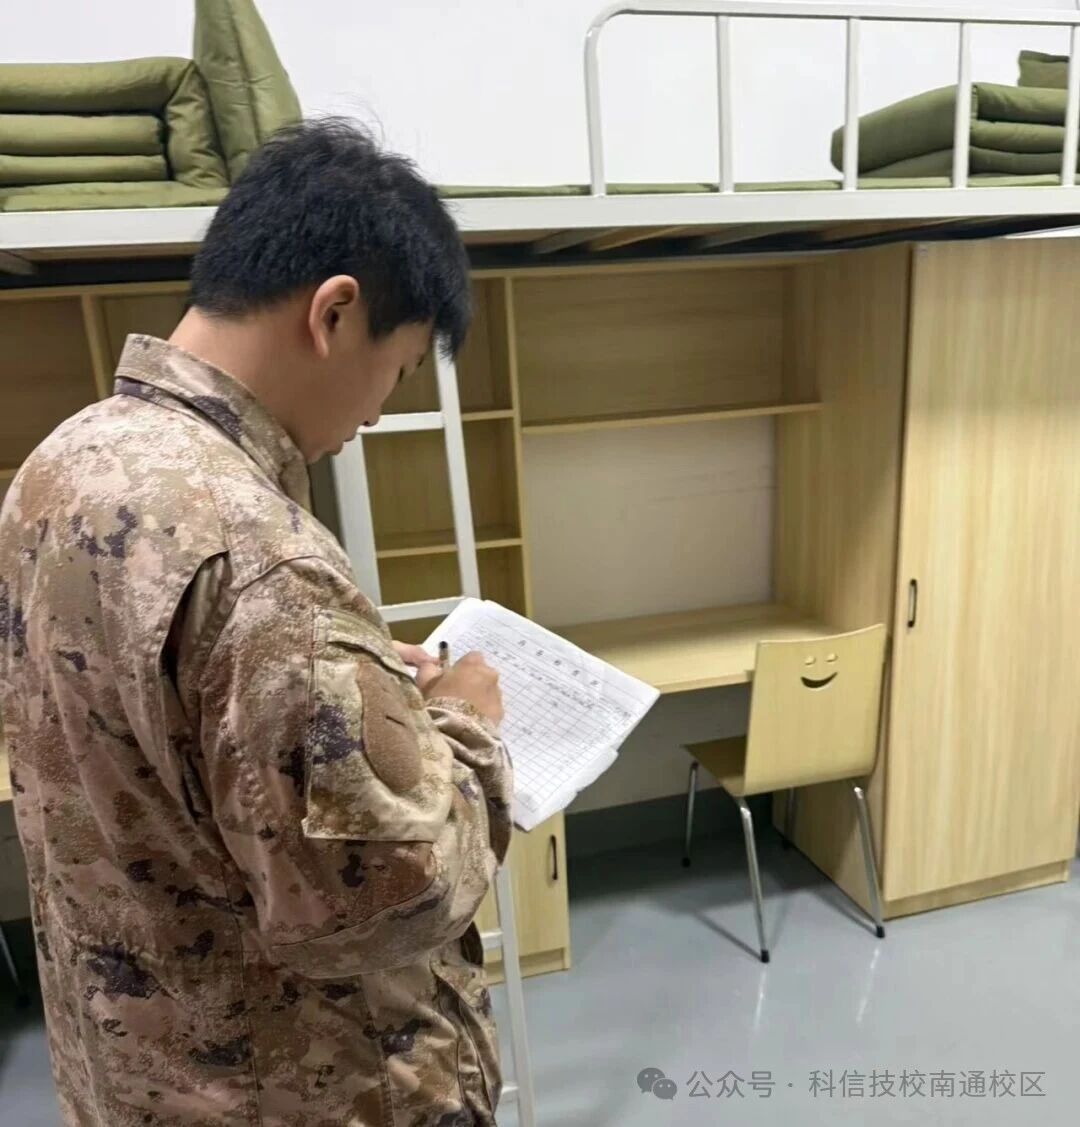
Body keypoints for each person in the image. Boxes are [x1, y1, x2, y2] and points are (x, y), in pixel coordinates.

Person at [0, 119, 512, 1127]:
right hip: (301, 1088)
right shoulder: (263, 560)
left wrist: (346, 682)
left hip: (132, 1074)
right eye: (399, 368)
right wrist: (467, 726)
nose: (378, 412)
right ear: (335, 312)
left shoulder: (60, 463)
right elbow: (385, 899)